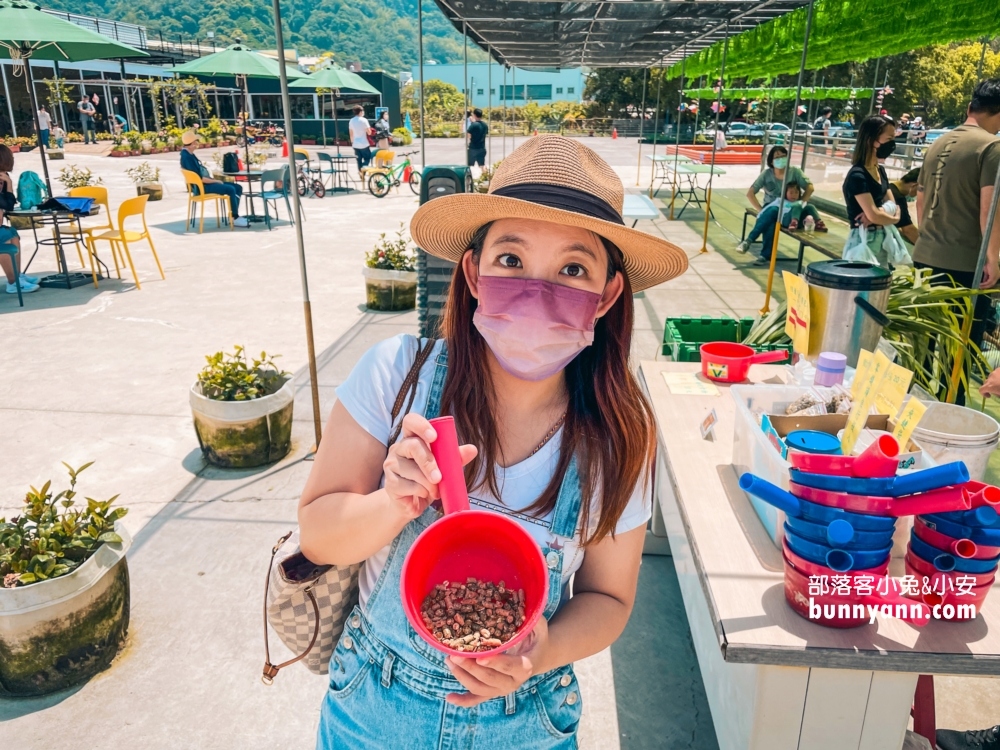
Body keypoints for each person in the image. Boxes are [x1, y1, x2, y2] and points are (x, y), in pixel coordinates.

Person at [298, 135, 688, 749]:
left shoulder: (619, 436)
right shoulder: (396, 374)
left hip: (528, 724)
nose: (537, 287)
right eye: (511, 259)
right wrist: (394, 501)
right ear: (474, 273)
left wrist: (545, 647)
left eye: (573, 268)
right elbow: (318, 536)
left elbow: (608, 597)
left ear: (608, 296)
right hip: (372, 712)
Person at [913, 78, 1000, 350]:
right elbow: (990, 210)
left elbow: (920, 200)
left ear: (969, 107)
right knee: (959, 353)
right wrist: (993, 259)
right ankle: (952, 396)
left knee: (922, 347)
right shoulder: (991, 147)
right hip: (965, 266)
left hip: (925, 257)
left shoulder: (937, 143)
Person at [841, 114, 900, 265]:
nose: (892, 144)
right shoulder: (857, 175)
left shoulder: (879, 170)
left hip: (882, 238)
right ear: (871, 140)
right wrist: (893, 218)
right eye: (888, 139)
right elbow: (875, 215)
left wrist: (879, 213)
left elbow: (893, 205)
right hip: (864, 239)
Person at [739, 145, 813, 262]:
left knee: (771, 214)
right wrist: (761, 210)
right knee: (771, 219)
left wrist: (800, 202)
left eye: (783, 156)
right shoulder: (766, 174)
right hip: (770, 206)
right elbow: (750, 193)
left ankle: (750, 241)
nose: (781, 159)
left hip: (789, 209)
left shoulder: (795, 172)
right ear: (771, 161)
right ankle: (764, 255)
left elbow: (810, 187)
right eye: (777, 157)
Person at [179, 131, 248, 228]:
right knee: (230, 189)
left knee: (237, 187)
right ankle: (235, 218)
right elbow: (201, 179)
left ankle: (233, 216)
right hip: (202, 188)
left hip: (204, 184)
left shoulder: (187, 154)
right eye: (195, 141)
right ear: (192, 143)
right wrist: (216, 181)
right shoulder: (187, 158)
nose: (197, 144)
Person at [739, 183, 827, 257]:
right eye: (791, 193)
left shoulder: (801, 202)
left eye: (796, 193)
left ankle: (818, 222)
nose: (794, 195)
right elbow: (766, 210)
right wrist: (760, 217)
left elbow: (807, 211)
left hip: (799, 222)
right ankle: (751, 243)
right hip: (786, 220)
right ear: (785, 193)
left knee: (809, 206)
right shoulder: (780, 201)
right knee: (771, 219)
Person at [0, 145, 37, 295]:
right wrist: (8, 185)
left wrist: (8, 184)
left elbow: (8, 205)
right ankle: (12, 282)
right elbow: (6, 204)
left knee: (13, 235)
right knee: (5, 238)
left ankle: (17, 276)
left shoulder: (3, 176)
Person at [887, 167, 920, 245]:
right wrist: (927, 248)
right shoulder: (897, 197)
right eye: (921, 190)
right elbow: (908, 230)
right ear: (915, 185)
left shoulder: (890, 187)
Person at [349, 104, 372, 172]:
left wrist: (352, 142)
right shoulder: (364, 120)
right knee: (367, 158)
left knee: (358, 160)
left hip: (355, 144)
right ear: (360, 112)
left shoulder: (351, 121)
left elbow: (351, 133)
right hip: (364, 144)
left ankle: (361, 173)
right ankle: (363, 169)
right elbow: (369, 132)